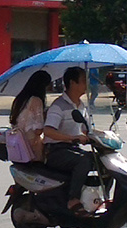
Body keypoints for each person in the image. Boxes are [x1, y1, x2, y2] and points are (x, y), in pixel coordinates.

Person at [43, 67, 93, 217]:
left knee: (99, 160)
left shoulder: (81, 106)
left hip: (72, 148)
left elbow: (86, 129)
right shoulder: (58, 106)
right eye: (84, 81)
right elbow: (48, 131)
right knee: (83, 161)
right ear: (72, 83)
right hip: (55, 150)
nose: (87, 84)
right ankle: (73, 199)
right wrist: (72, 138)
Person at [9, 70, 52, 162]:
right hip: (31, 145)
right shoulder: (36, 101)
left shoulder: (20, 98)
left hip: (19, 142)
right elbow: (38, 129)